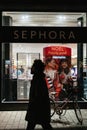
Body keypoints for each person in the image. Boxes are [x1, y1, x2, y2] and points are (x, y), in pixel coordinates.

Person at [25, 59, 53, 130]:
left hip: (37, 108)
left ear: (36, 69)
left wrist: (33, 106)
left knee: (33, 125)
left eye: (33, 67)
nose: (31, 68)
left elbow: (38, 95)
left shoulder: (38, 79)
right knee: (44, 125)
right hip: (39, 108)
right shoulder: (39, 78)